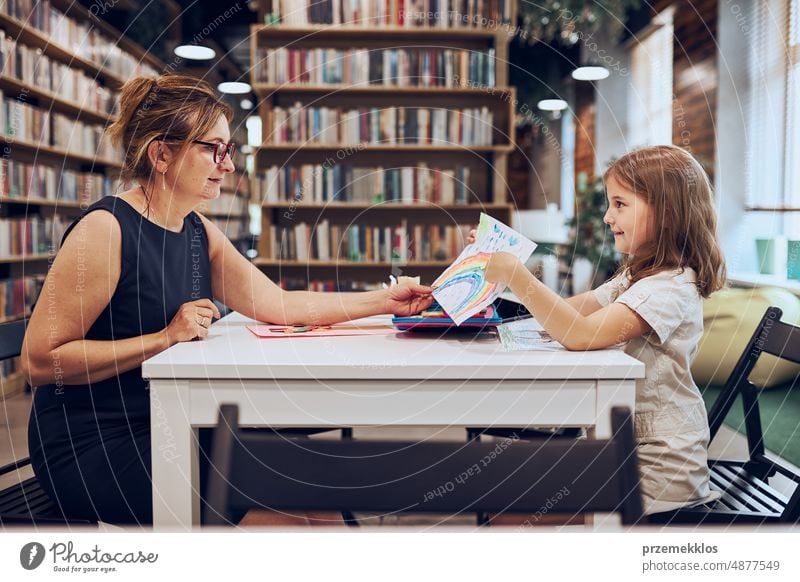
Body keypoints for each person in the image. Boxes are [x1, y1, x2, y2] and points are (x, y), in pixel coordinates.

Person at [20, 74, 433, 525]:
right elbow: (42, 362)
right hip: (95, 444)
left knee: (311, 490)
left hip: (172, 422)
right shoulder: (106, 230)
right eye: (213, 150)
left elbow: (280, 305)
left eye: (229, 151)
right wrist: (164, 338)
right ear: (161, 154)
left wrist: (385, 301)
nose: (228, 165)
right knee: (279, 516)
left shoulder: (196, 230)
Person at [478, 145, 726, 515]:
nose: (608, 217)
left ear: (668, 212)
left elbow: (580, 334)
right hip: (622, 447)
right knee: (511, 497)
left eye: (620, 204)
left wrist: (516, 273)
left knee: (514, 509)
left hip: (657, 467)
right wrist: (499, 276)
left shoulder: (669, 289)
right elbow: (569, 313)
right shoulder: (637, 275)